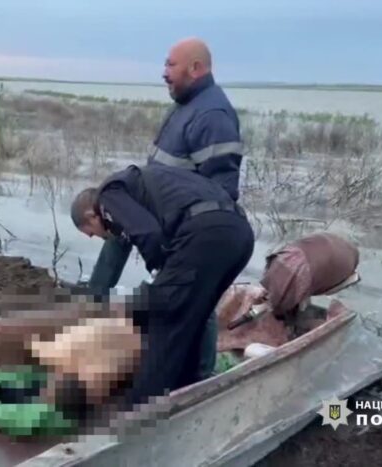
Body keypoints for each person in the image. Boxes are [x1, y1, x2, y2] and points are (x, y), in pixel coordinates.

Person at [86, 37, 245, 380]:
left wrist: (182, 244)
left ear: (196, 68)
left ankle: (201, 375)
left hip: (188, 233)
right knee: (119, 245)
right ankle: (92, 305)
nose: (164, 72)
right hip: (161, 219)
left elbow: (221, 192)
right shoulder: (183, 106)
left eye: (171, 65)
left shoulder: (213, 115)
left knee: (197, 302)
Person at [71, 162, 254, 408]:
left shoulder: (109, 195)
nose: (100, 237)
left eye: (92, 233)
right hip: (239, 234)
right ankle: (190, 387)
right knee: (194, 316)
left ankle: (139, 407)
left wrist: (162, 276)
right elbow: (126, 249)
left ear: (92, 216)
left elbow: (148, 234)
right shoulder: (138, 188)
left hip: (204, 233)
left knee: (161, 317)